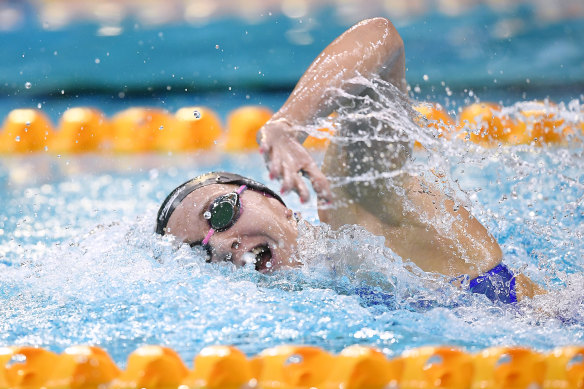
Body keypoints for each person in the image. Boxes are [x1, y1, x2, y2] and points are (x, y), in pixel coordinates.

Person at [156, 17, 542, 303]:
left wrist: (288, 125)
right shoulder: (317, 293)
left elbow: (380, 37)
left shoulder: (359, 208)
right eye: (200, 253)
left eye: (220, 213)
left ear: (273, 200)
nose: (223, 245)